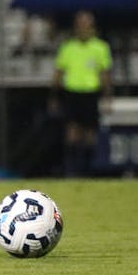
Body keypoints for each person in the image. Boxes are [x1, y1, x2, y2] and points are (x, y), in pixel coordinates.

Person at [50, 10, 112, 176]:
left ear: (92, 27)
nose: (83, 28)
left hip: (91, 93)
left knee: (91, 132)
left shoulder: (100, 47)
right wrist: (54, 96)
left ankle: (89, 170)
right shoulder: (68, 48)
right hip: (73, 93)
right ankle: (72, 170)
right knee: (72, 132)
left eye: (86, 24)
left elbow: (104, 74)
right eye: (80, 25)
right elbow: (59, 72)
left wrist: (107, 97)